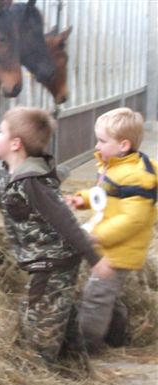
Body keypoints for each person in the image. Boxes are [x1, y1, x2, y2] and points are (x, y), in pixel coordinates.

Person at [0, 106, 113, 366]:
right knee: (58, 310)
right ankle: (75, 369)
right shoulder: (4, 171)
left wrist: (95, 259)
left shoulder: (32, 181)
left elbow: (65, 220)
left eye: (1, 132)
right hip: (46, 260)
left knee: (38, 324)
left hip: (53, 261)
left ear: (15, 143)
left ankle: (42, 369)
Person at [65, 107, 157, 353]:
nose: (97, 146)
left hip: (120, 250)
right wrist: (81, 199)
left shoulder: (136, 177)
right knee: (108, 294)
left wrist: (97, 236)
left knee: (96, 296)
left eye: (103, 141)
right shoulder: (112, 166)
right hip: (110, 245)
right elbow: (102, 195)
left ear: (123, 145)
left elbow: (132, 220)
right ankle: (117, 338)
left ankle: (87, 348)